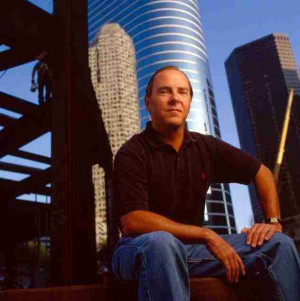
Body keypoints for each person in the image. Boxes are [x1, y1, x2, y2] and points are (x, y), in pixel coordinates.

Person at [112, 66, 300, 301]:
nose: (174, 99)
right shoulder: (132, 152)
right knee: (161, 243)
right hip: (137, 250)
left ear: (189, 101)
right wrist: (207, 235)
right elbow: (133, 221)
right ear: (148, 102)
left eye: (182, 92)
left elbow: (261, 173)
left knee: (279, 244)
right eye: (164, 91)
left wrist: (273, 222)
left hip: (191, 251)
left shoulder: (206, 147)